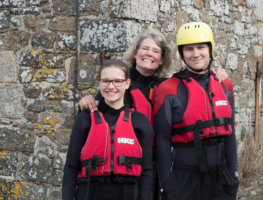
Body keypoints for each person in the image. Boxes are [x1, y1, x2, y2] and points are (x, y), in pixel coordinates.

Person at [77, 29, 229, 200]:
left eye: (156, 51)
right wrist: (86, 103)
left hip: (157, 165)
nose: (149, 54)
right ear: (135, 53)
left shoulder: (167, 87)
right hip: (124, 169)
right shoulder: (116, 86)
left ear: (162, 59)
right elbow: (93, 126)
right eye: (145, 49)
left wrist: (216, 72)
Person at [154, 22, 239, 200]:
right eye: (189, 49)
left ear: (210, 50)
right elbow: (162, 140)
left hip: (221, 177)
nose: (196, 54)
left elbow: (230, 134)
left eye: (201, 47)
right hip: (182, 178)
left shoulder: (225, 85)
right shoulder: (168, 89)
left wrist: (234, 173)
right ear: (182, 53)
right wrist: (166, 183)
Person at [62, 59, 154, 200]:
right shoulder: (84, 119)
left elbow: (147, 170)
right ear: (99, 83)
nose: (111, 86)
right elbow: (71, 167)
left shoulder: (140, 121)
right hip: (89, 193)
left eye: (117, 81)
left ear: (127, 83)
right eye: (105, 81)